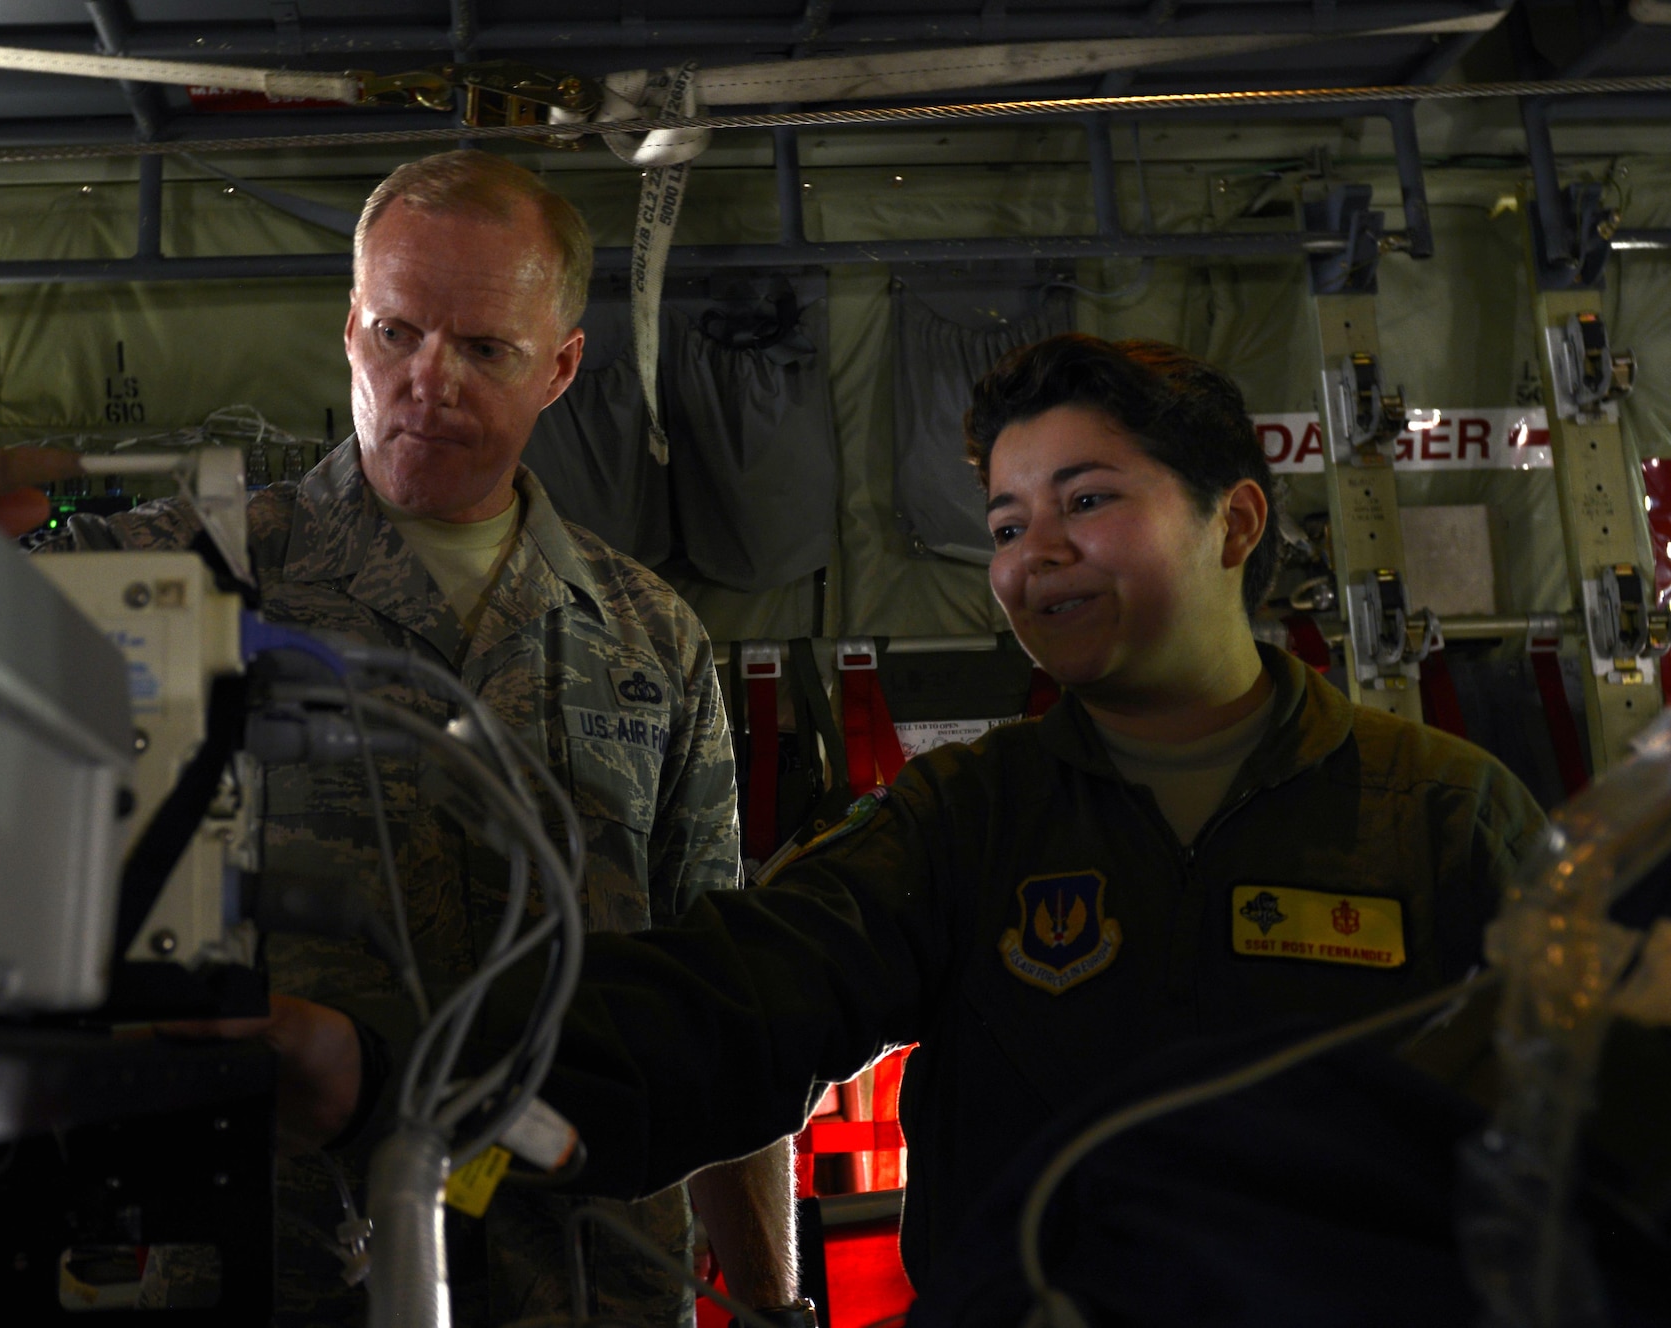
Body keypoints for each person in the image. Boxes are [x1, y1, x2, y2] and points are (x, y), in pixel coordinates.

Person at [240, 333, 1549, 1301]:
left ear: (1236, 521)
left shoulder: (1438, 812)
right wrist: (384, 1065)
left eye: (1088, 501)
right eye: (1005, 520)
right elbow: (726, 1007)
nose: (1036, 556)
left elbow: (1567, 1151)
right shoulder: (968, 817)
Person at [0, 150, 796, 1328]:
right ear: (348, 326)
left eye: (483, 348)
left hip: (581, 1277)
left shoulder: (647, 636)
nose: (427, 379)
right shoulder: (177, 577)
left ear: (560, 365)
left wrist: (768, 1299)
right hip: (275, 1264)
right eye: (395, 332)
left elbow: (719, 1000)